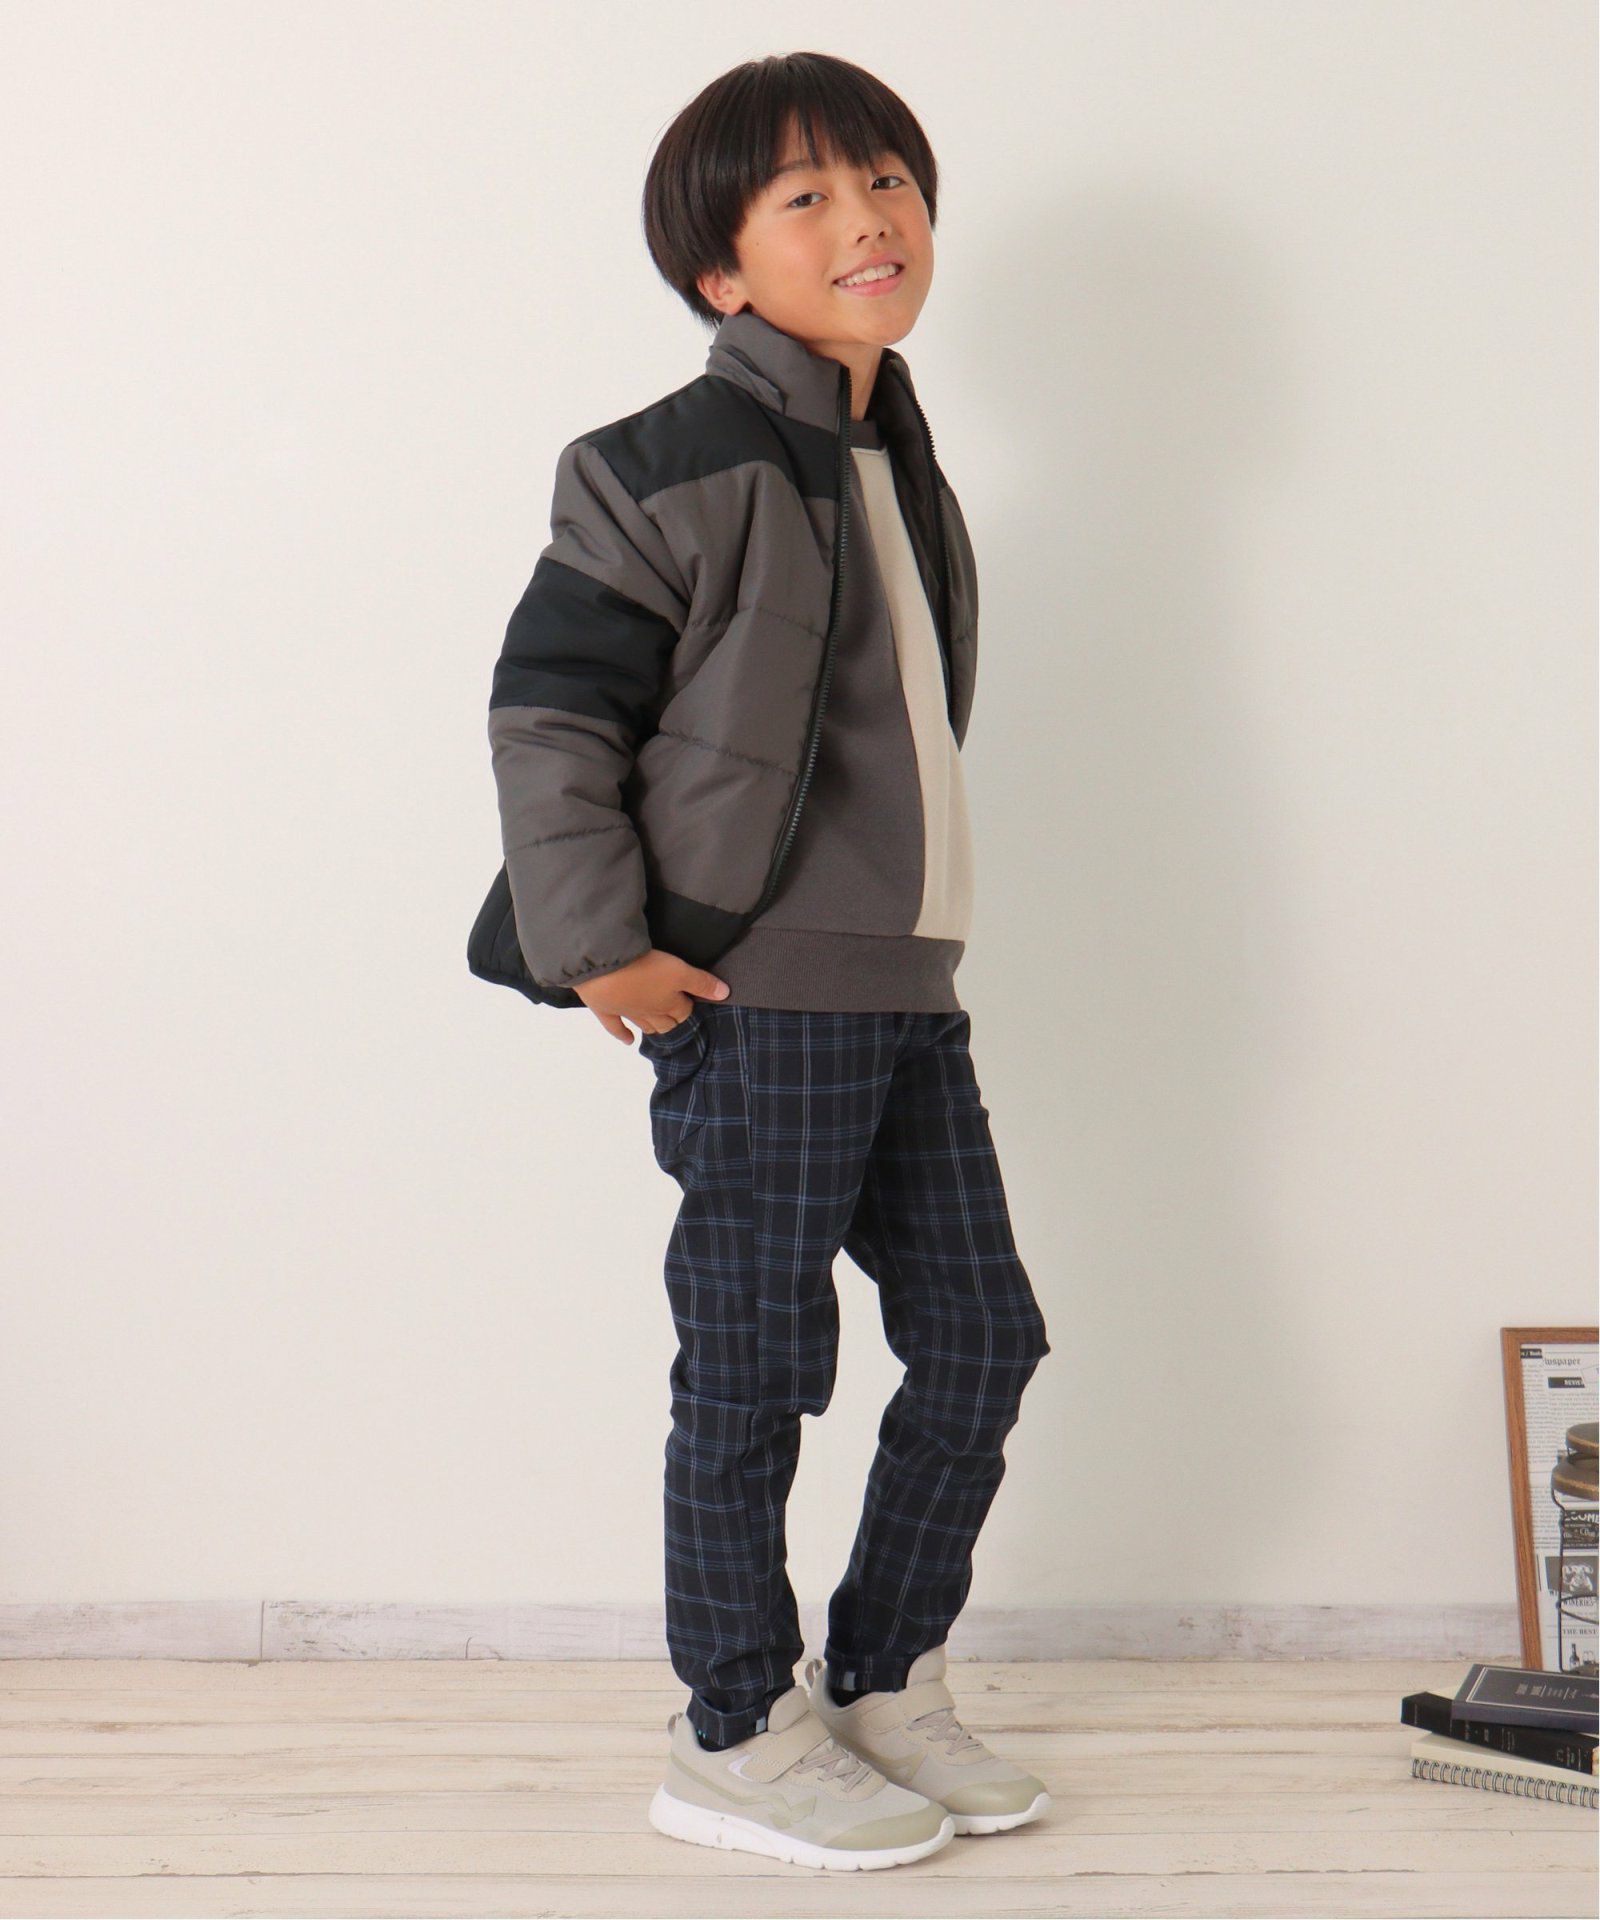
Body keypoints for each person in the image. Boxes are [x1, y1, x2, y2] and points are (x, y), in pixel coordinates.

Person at [471, 51, 1053, 1873]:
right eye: (806, 196)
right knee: (753, 1367)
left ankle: (879, 1680)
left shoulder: (899, 456)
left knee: (984, 1338)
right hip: (760, 991)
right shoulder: (665, 463)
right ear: (720, 268)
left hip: (907, 988)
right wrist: (602, 950)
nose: (868, 218)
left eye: (888, 181)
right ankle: (732, 1723)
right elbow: (550, 715)